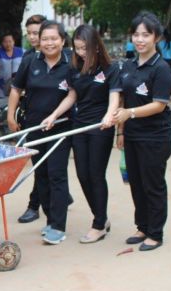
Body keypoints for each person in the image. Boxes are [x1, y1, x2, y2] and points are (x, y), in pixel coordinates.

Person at [41, 24, 121, 243]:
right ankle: (101, 217)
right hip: (79, 126)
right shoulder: (74, 68)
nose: (81, 52)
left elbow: (114, 96)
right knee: (83, 175)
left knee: (96, 174)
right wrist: (54, 115)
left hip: (101, 128)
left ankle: (98, 224)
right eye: (77, 48)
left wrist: (109, 115)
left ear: (96, 46)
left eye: (85, 48)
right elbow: (72, 96)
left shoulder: (110, 68)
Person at [113, 11, 171, 252]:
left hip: (155, 136)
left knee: (153, 184)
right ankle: (143, 226)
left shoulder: (161, 68)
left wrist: (130, 114)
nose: (140, 40)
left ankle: (155, 233)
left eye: (146, 35)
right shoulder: (128, 66)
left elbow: (159, 105)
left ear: (156, 37)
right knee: (136, 183)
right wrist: (121, 131)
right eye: (136, 34)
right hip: (132, 135)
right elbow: (123, 100)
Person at [10, 20, 73, 245]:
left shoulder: (71, 63)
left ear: (62, 40)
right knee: (42, 174)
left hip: (61, 128)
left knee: (57, 174)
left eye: (54, 38)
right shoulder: (31, 61)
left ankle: (58, 226)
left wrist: (55, 115)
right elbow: (16, 89)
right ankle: (50, 219)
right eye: (45, 38)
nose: (49, 43)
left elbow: (74, 93)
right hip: (34, 127)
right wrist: (10, 116)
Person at [9, 14, 46, 224]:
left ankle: (35, 205)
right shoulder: (29, 57)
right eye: (29, 33)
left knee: (49, 167)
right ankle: (38, 203)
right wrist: (12, 115)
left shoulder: (64, 57)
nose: (33, 37)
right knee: (39, 165)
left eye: (36, 33)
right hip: (32, 118)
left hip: (59, 120)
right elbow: (17, 88)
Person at [0, 32, 24, 98]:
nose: (8, 44)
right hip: (3, 88)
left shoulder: (22, 52)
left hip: (19, 87)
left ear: (14, 41)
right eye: (5, 42)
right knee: (4, 103)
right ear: (2, 43)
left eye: (10, 41)